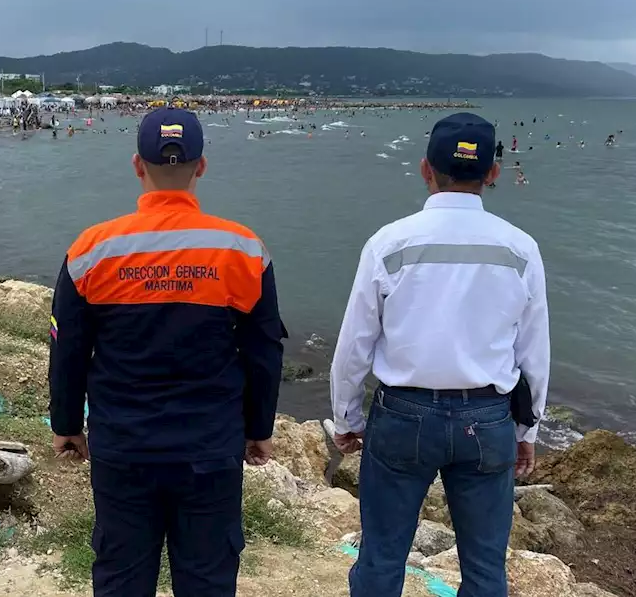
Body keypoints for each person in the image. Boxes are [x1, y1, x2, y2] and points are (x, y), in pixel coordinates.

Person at [49, 107, 286, 596]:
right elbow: (263, 351)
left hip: (123, 446)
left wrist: (67, 424)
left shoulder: (92, 250)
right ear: (201, 166)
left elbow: (69, 347)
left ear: (138, 165)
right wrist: (258, 428)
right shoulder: (243, 250)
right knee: (207, 578)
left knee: (120, 576)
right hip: (210, 447)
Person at [328, 112, 550, 597]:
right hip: (488, 419)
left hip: (403, 415)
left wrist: (346, 416)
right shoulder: (520, 248)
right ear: (492, 173)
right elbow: (534, 351)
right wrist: (526, 430)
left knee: (382, 557)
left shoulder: (389, 243)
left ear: (425, 168)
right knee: (487, 568)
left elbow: (355, 343)